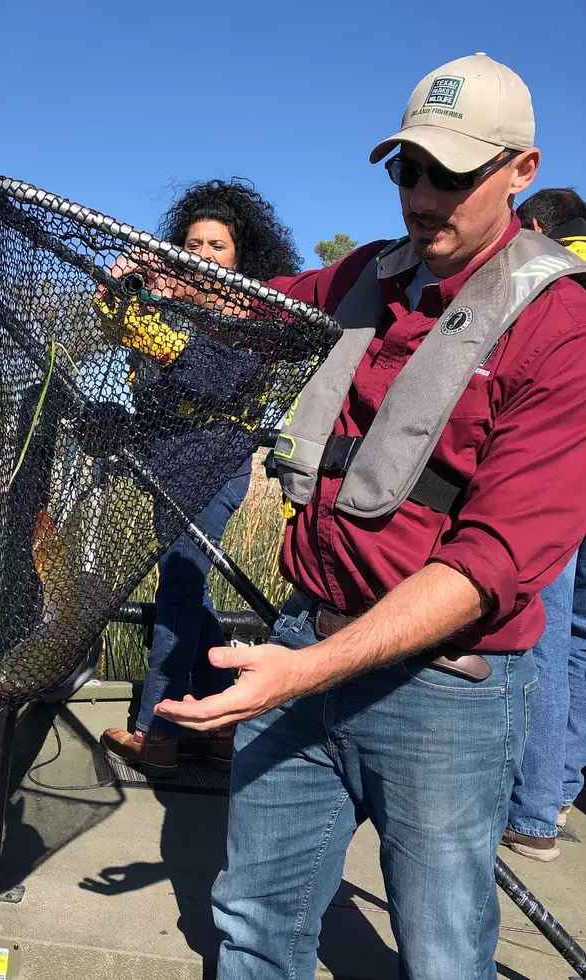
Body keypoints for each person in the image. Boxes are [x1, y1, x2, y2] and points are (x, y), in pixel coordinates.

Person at [155, 53, 586, 979]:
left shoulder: (563, 330)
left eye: (453, 174)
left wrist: (300, 673)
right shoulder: (366, 275)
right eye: (407, 170)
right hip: (304, 641)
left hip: (445, 693)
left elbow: (492, 562)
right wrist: (161, 287)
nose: (423, 198)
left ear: (522, 170)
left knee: (439, 950)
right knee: (252, 924)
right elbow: (254, 307)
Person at [100, 180, 301, 776]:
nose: (205, 254)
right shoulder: (170, 309)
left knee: (178, 593)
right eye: (193, 244)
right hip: (170, 461)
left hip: (218, 464)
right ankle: (215, 728)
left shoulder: (253, 317)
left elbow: (207, 373)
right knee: (192, 588)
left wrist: (155, 308)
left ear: (242, 257)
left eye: (218, 245)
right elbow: (114, 321)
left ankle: (156, 732)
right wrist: (123, 278)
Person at [504, 188, 586, 861]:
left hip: (567, 469)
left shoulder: (545, 266)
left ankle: (530, 812)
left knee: (544, 632)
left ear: (533, 225)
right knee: (582, 637)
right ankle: (559, 786)